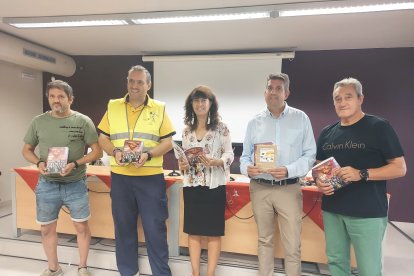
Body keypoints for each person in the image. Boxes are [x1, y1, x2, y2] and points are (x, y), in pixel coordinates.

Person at [315, 77, 406, 276]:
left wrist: (361, 174)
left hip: (368, 212)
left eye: (348, 97)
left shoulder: (379, 127)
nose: (342, 102)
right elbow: (318, 167)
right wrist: (319, 182)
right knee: (336, 261)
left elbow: (399, 168)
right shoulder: (327, 133)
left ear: (360, 99)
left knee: (368, 268)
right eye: (337, 98)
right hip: (332, 210)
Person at [97, 65, 175, 276]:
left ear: (148, 85)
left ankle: (161, 273)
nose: (135, 85)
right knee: (123, 229)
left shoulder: (159, 107)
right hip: (121, 178)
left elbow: (168, 142)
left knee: (155, 230)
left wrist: (148, 154)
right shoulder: (113, 106)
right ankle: (128, 272)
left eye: (140, 82)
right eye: (131, 81)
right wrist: (114, 151)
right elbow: (102, 137)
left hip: (150, 178)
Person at [22, 80, 102, 276]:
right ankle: (53, 268)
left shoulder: (83, 121)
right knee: (46, 229)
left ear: (70, 99)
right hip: (47, 184)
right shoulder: (38, 121)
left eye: (61, 96)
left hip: (75, 184)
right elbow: (26, 150)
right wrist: (38, 163)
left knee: (81, 227)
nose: (56, 100)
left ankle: (82, 267)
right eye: (52, 96)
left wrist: (75, 164)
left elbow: (97, 152)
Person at [240, 73, 316, 276]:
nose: (273, 92)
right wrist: (247, 168)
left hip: (289, 188)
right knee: (264, 240)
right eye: (270, 88)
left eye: (278, 88)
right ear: (265, 92)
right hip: (260, 187)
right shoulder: (254, 122)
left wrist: (289, 170)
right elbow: (244, 157)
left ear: (287, 93)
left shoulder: (301, 118)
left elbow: (310, 155)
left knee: (292, 245)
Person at [177, 86, 234, 276]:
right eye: (196, 100)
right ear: (191, 105)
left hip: (214, 185)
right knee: (193, 231)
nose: (200, 104)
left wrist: (218, 161)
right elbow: (183, 157)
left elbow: (229, 153)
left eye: (203, 100)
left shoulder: (221, 128)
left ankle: (210, 274)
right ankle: (195, 273)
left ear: (211, 104)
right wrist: (182, 165)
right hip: (192, 185)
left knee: (212, 231)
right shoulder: (186, 132)